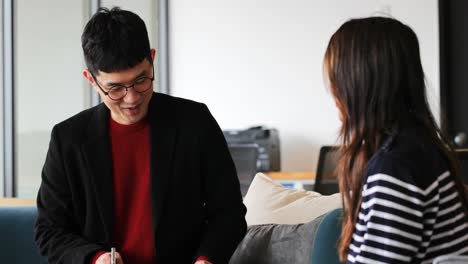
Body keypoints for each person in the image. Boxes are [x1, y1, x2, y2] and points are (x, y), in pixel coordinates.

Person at [34, 7, 247, 264]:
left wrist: (206, 259)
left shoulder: (195, 122)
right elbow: (50, 231)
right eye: (115, 88)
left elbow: (229, 212)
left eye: (141, 80)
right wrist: (95, 259)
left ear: (152, 59)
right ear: (91, 80)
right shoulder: (67, 139)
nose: (132, 98)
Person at [323, 17, 468, 263]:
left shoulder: (396, 166)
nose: (333, 93)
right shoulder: (413, 151)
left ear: (357, 84)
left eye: (336, 81)